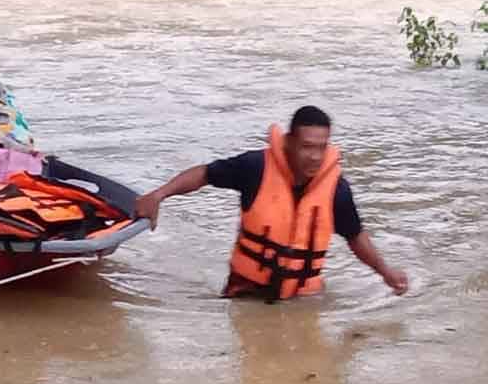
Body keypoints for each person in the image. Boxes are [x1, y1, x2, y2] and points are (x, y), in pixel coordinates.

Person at [134, 106, 409, 301]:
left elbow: (355, 236)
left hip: (303, 300)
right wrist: (159, 195)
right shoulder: (255, 168)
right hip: (246, 293)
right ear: (289, 142)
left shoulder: (336, 189)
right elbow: (205, 174)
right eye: (307, 146)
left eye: (321, 147)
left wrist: (385, 272)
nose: (315, 157)